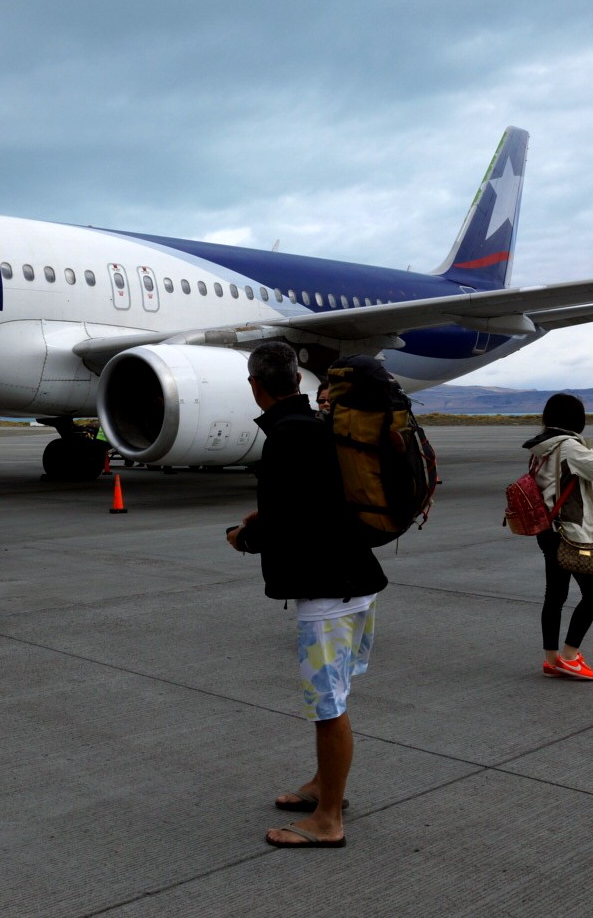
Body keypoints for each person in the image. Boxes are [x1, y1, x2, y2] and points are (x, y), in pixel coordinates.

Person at [227, 342, 388, 849]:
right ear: (298, 382)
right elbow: (315, 502)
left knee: (327, 706)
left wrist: (246, 537)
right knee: (335, 698)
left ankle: (328, 820)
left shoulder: (286, 437)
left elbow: (288, 521)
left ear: (256, 385)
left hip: (329, 592)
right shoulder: (313, 428)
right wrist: (264, 519)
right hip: (354, 583)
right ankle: (325, 788)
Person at [525, 393, 593, 681]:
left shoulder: (541, 447)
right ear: (575, 419)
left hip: (547, 529)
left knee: (555, 595)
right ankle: (569, 656)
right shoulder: (568, 447)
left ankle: (552, 659)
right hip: (570, 531)